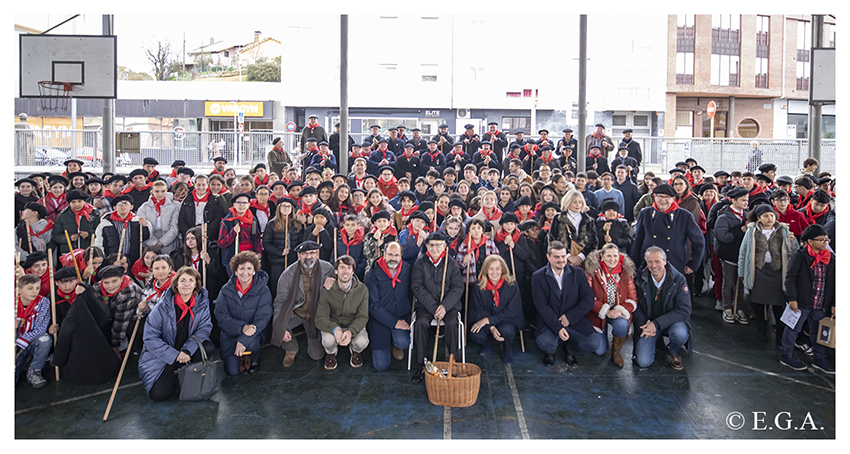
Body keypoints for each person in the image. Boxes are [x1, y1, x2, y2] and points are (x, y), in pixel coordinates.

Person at [138, 266, 215, 401]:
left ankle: (187, 369)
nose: (186, 284)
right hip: (164, 353)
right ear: (176, 285)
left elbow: (204, 328)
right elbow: (150, 338)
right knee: (159, 395)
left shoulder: (201, 303)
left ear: (196, 285)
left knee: (208, 347)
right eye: (182, 280)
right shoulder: (161, 307)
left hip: (186, 349)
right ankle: (174, 370)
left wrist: (187, 350)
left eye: (191, 280)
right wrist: (175, 355)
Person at [737, 204, 800, 343]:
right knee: (758, 303)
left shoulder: (784, 230)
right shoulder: (752, 231)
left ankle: (780, 332)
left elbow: (794, 251)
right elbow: (743, 252)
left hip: (777, 272)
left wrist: (792, 241)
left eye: (771, 215)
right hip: (758, 272)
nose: (769, 218)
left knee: (778, 304)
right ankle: (761, 329)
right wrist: (741, 272)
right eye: (765, 216)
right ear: (759, 218)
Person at [532, 241, 599, 366]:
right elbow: (542, 306)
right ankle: (550, 352)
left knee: (593, 343)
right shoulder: (538, 277)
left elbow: (588, 299)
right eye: (557, 257)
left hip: (573, 320)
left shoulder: (578, 273)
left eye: (563, 256)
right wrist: (558, 327)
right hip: (550, 320)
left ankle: (570, 350)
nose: (561, 260)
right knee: (544, 342)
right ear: (548, 257)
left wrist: (569, 317)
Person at [270, 241, 336, 367]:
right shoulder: (288, 274)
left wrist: (335, 280)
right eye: (304, 253)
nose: (308, 256)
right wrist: (280, 327)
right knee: (279, 324)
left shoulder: (328, 268)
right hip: (297, 312)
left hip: (317, 314)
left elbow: (346, 283)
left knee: (316, 355)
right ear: (298, 255)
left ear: (317, 254)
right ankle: (291, 349)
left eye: (312, 253)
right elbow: (280, 301)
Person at [779, 225, 835, 374]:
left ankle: (819, 359)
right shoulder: (800, 256)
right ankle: (786, 355)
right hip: (801, 301)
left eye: (827, 239)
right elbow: (790, 278)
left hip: (821, 303)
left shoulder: (831, 258)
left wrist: (834, 303)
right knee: (793, 328)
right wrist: (792, 298)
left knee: (818, 332)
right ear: (810, 241)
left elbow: (835, 282)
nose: (825, 242)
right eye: (821, 240)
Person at [410, 232, 464, 382]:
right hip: (426, 305)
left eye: (438, 245)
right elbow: (417, 287)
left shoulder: (451, 263)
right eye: (431, 245)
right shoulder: (420, 263)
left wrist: (444, 306)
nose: (434, 248)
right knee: (420, 323)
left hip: (449, 305)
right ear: (427, 246)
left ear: (444, 246)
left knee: (452, 323)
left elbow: (458, 287)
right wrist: (434, 307)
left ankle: (453, 363)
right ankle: (421, 364)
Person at [632, 247, 692, 370]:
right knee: (643, 362)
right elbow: (635, 305)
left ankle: (674, 351)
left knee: (680, 333)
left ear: (665, 261)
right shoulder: (639, 279)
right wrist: (645, 325)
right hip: (648, 324)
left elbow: (684, 310)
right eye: (650, 262)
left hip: (671, 323)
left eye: (657, 261)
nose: (653, 265)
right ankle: (656, 340)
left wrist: (656, 324)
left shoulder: (679, 279)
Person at [215, 251, 273, 376]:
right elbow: (221, 316)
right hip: (231, 332)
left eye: (249, 268)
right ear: (235, 271)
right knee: (232, 371)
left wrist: (244, 340)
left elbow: (263, 318)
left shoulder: (263, 290)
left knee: (251, 344)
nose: (245, 272)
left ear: (254, 271)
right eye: (241, 268)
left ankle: (254, 356)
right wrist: (242, 327)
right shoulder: (225, 290)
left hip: (254, 332)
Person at [631, 184, 704, 278]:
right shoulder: (645, 213)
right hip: (648, 265)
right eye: (660, 196)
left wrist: (693, 264)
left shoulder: (684, 216)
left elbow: (699, 241)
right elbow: (637, 240)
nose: (663, 200)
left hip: (674, 265)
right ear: (655, 196)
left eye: (667, 197)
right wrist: (634, 264)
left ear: (673, 198)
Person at [584, 243, 637, 367]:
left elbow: (632, 299)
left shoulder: (626, 272)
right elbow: (587, 297)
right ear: (602, 257)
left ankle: (616, 350)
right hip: (597, 313)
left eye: (615, 256)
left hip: (617, 312)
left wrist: (620, 310)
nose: (612, 259)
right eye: (608, 256)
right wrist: (605, 311)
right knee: (599, 350)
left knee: (622, 324)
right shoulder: (592, 271)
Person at [314, 255, 370, 370]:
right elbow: (320, 318)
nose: (345, 271)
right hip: (333, 325)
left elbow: (363, 316)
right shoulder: (327, 290)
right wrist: (335, 329)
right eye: (342, 268)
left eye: (349, 268)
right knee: (328, 341)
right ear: (336, 271)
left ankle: (355, 351)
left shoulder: (362, 289)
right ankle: (331, 353)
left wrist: (351, 331)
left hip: (352, 324)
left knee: (362, 341)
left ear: (353, 271)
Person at [469, 255, 524, 364]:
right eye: (491, 269)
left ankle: (508, 348)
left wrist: (489, 320)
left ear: (502, 269)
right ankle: (487, 342)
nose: (495, 272)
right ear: (486, 270)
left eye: (498, 268)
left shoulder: (511, 285)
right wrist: (491, 327)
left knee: (507, 331)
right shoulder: (479, 286)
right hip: (487, 321)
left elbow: (512, 311)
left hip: (506, 320)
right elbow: (477, 309)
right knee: (475, 333)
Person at [365, 242, 411, 371]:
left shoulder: (407, 269)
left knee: (403, 342)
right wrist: (394, 322)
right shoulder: (372, 273)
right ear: (384, 254)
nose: (393, 258)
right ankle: (385, 345)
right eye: (390, 254)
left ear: (401, 255)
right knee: (381, 366)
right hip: (379, 320)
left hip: (401, 316)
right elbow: (372, 306)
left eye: (396, 255)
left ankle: (396, 344)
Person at [713, 187, 750, 324]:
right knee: (728, 282)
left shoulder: (747, 214)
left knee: (740, 283)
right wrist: (740, 230)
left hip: (742, 255)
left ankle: (738, 307)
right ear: (733, 200)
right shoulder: (724, 216)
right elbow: (723, 236)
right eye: (743, 200)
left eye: (747, 200)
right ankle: (727, 307)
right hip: (729, 255)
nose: (746, 203)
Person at [94, 195, 152, 268]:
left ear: (131, 207)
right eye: (120, 204)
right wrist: (102, 258)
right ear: (115, 208)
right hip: (112, 258)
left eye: (126, 204)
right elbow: (99, 243)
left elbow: (146, 237)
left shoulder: (137, 221)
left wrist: (145, 226)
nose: (123, 206)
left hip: (133, 257)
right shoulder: (105, 224)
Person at [15, 274, 52, 388]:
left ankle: (34, 371)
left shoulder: (43, 302)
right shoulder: (13, 303)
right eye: (30, 288)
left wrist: (21, 342)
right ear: (19, 290)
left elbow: (41, 328)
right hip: (14, 344)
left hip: (30, 342)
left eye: (37, 288)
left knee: (45, 339)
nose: (35, 291)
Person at [262, 198, 302, 298]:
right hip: (277, 262)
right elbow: (266, 243)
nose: (286, 208)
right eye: (283, 206)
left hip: (293, 261)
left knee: (292, 287)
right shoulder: (272, 224)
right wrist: (280, 252)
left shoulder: (297, 224)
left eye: (288, 206)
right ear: (279, 208)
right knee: (277, 286)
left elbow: (301, 241)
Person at [549, 189, 597, 268]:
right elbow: (552, 239)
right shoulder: (558, 218)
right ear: (568, 202)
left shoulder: (589, 220)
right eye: (574, 202)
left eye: (580, 202)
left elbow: (593, 241)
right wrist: (568, 256)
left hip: (585, 261)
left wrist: (581, 256)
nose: (578, 205)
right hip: (562, 261)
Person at [218, 192, 262, 276]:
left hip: (250, 257)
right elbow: (221, 243)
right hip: (234, 258)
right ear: (234, 205)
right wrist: (233, 233)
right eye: (239, 202)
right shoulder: (227, 221)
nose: (242, 205)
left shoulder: (253, 219)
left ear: (248, 205)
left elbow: (257, 238)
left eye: (244, 202)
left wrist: (259, 252)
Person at [137, 181, 180, 255]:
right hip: (149, 240)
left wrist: (162, 242)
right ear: (152, 191)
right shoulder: (144, 207)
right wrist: (153, 242)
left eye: (163, 191)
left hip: (168, 241)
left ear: (166, 191)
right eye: (157, 191)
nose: (160, 194)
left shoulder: (173, 207)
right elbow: (142, 227)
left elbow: (174, 227)